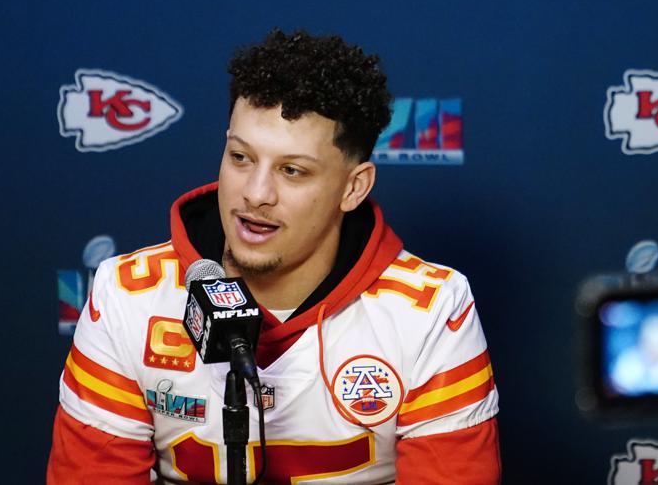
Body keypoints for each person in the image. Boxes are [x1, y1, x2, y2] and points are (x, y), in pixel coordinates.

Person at [47, 30, 500, 484]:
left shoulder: (433, 312)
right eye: (241, 157)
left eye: (292, 171)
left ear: (353, 187)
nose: (256, 194)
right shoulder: (128, 296)